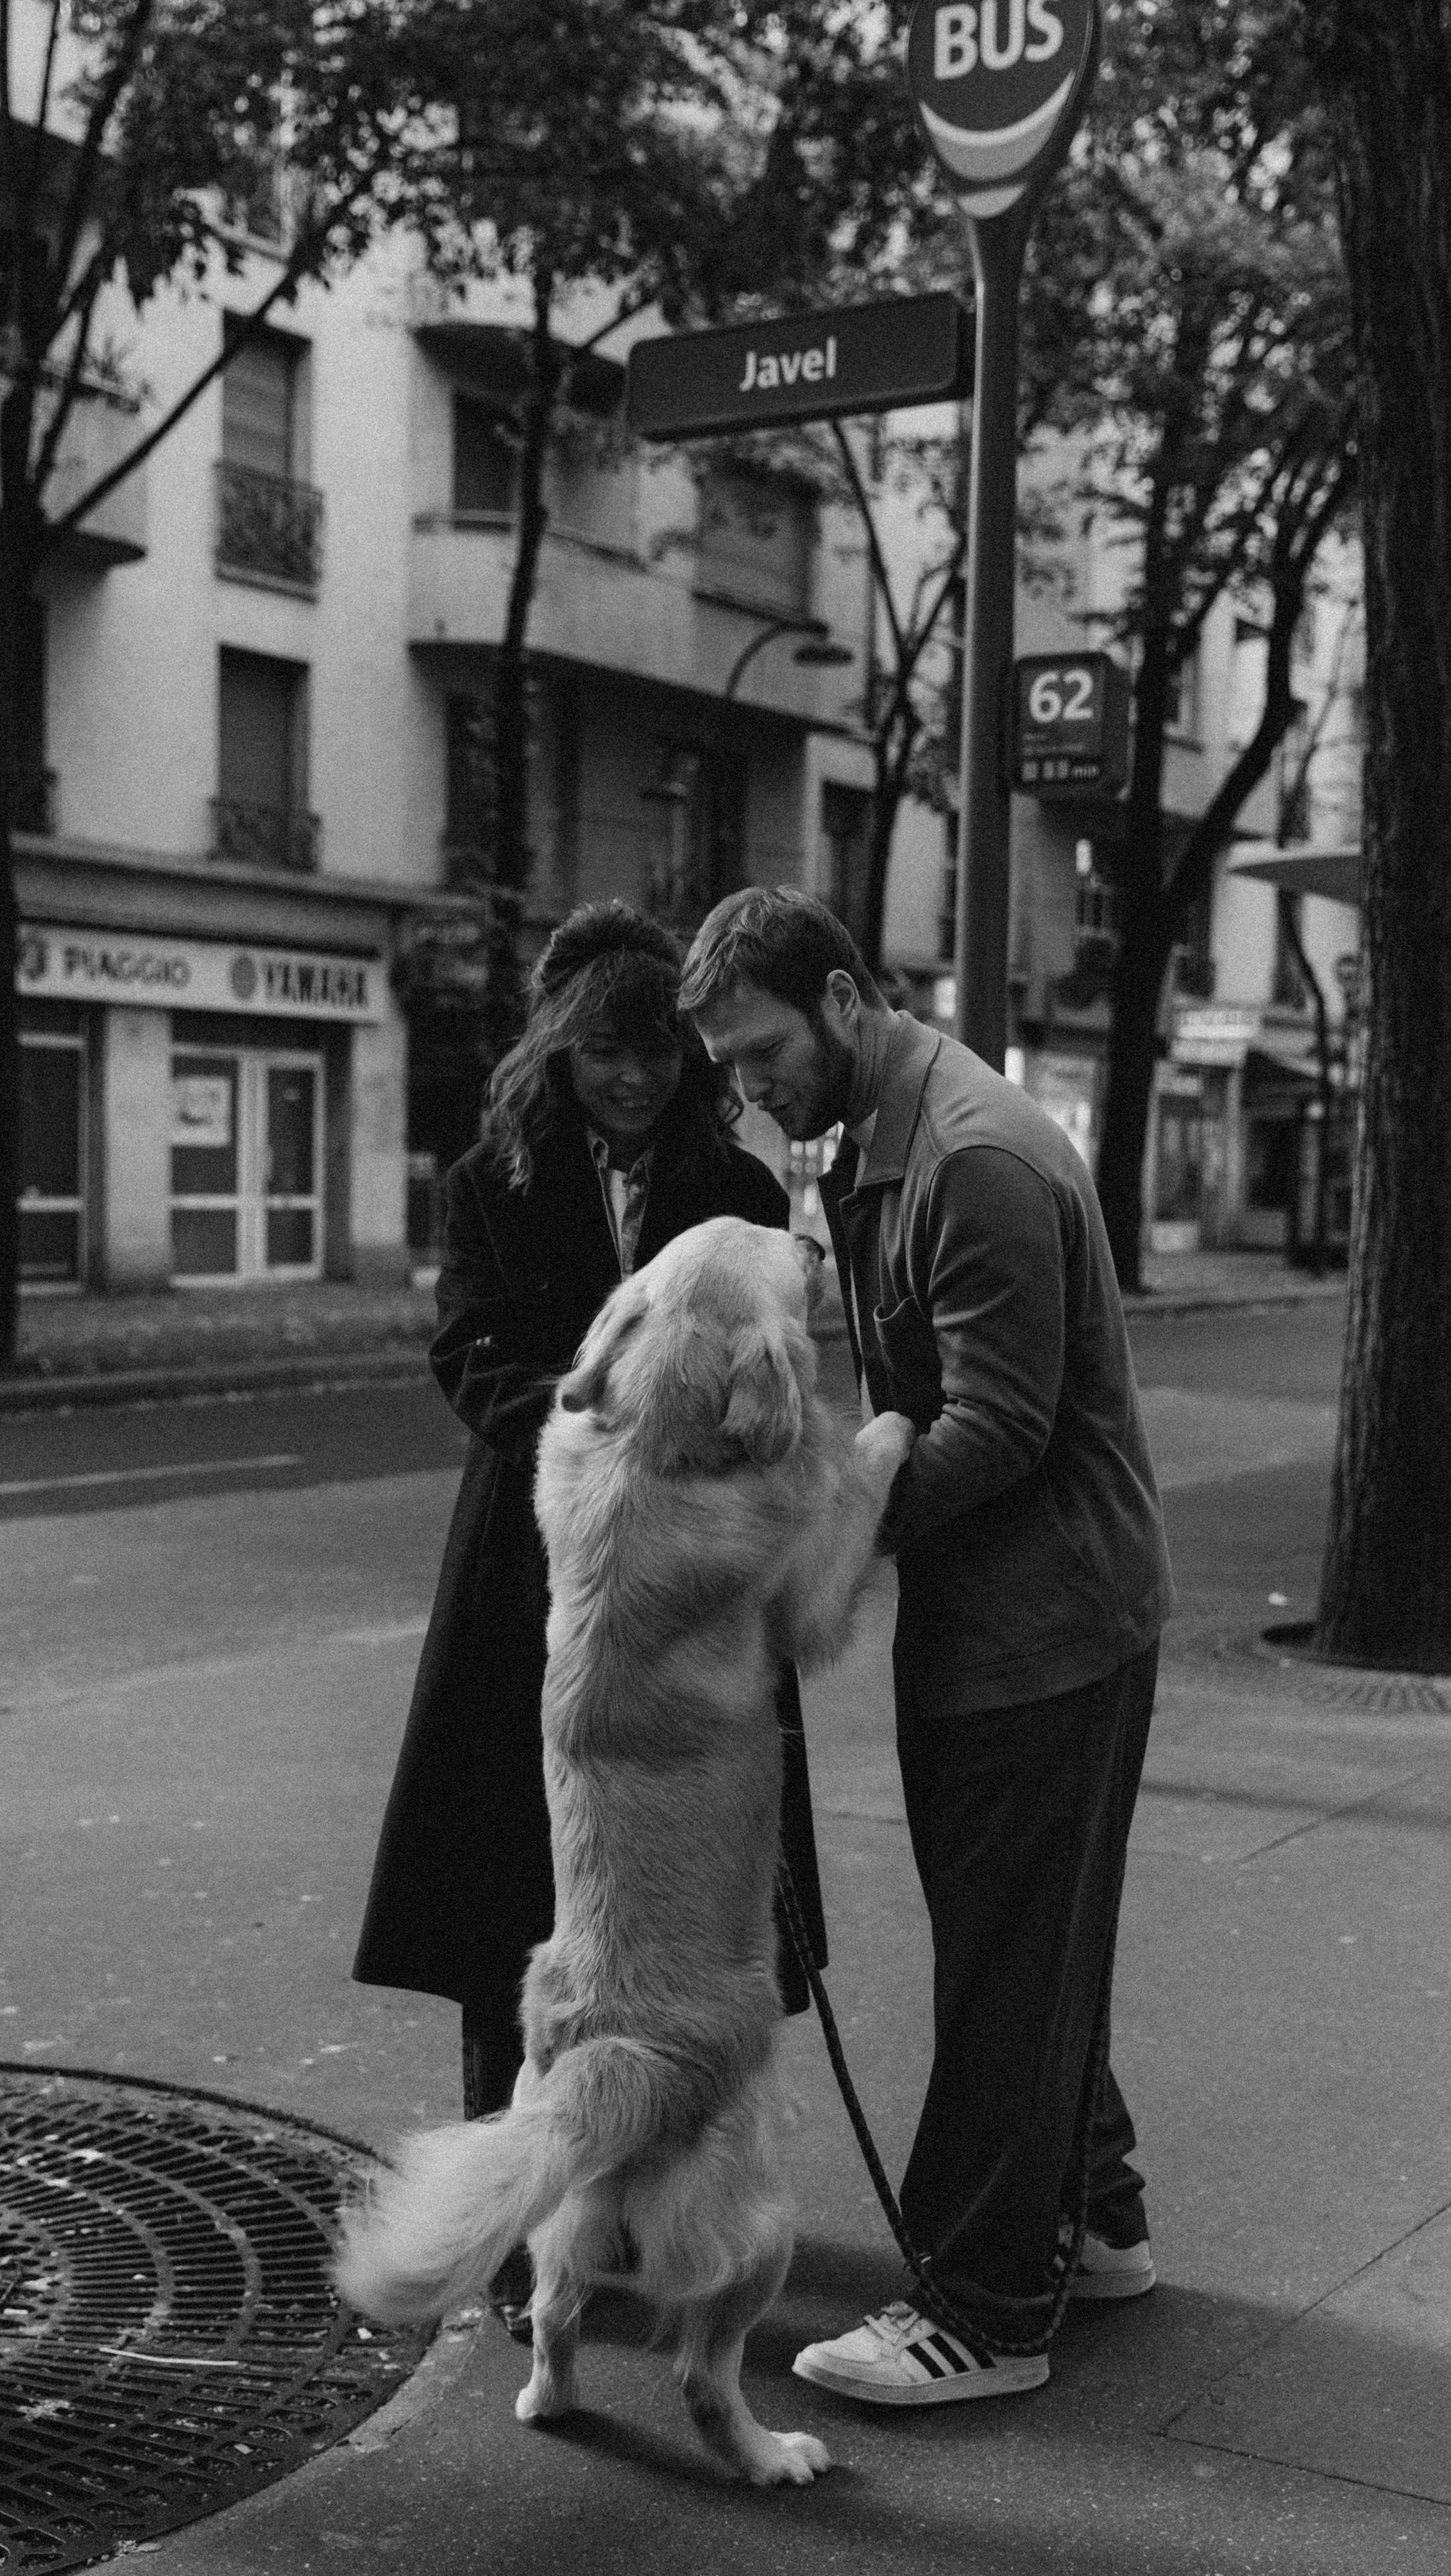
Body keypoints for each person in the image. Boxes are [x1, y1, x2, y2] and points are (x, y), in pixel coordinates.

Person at [680, 885, 1174, 2408]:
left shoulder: (966, 1157)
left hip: (1047, 1623)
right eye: (730, 1073)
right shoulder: (870, 1143)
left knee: (1004, 1965)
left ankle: (981, 2309)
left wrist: (821, 1541)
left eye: (761, 1053)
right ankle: (1090, 2222)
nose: (750, 1095)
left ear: (839, 1000)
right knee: (1029, 1940)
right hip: (1002, 1617)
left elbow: (997, 1429)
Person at [354, 900, 830, 2334]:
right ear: (558, 1052)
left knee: (695, 1910)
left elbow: (780, 1376)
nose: (628, 1080)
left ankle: (677, 2196)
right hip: (531, 1553)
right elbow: (468, 1350)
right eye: (602, 1054)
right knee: (520, 1889)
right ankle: (518, 2234)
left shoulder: (732, 1178)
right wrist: (584, 1433)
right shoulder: (489, 1180)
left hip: (695, 1571)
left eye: (652, 1055)